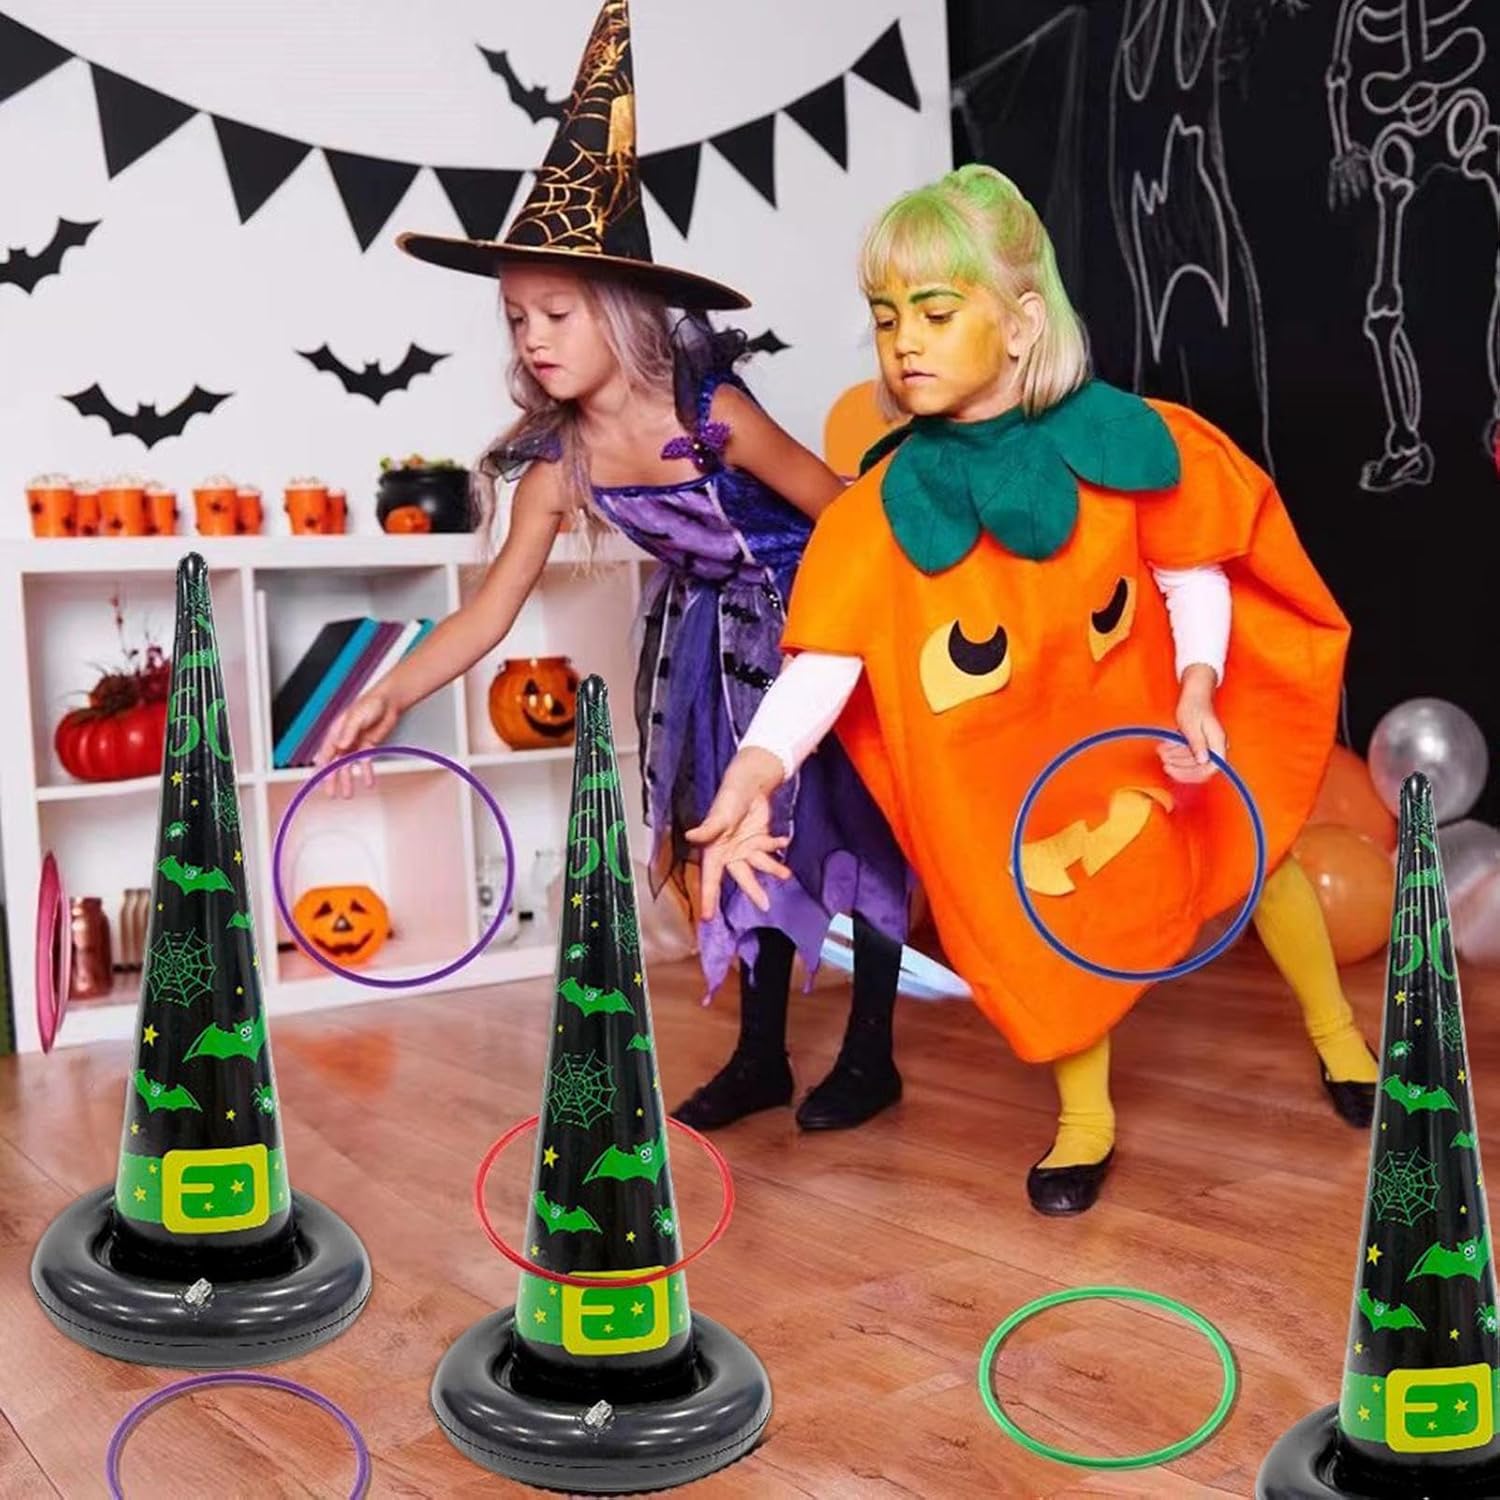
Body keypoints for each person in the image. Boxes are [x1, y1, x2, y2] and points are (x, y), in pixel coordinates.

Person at [688, 164, 1378, 1214]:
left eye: (934, 313)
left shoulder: (1125, 443)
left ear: (1019, 325)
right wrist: (755, 767)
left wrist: (1198, 687)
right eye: (886, 318)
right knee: (1049, 925)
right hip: (1021, 772)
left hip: (1143, 728)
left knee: (1254, 853)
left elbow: (1190, 569)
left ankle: (1338, 1035)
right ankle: (1085, 1118)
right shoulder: (877, 515)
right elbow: (828, 658)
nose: (904, 342)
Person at [316, 0, 910, 1134]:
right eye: (516, 318)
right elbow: (489, 612)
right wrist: (389, 690)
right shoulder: (559, 465)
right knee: (740, 838)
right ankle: (762, 1057)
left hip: (818, 631)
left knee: (855, 824)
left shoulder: (711, 414)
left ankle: (872, 1052)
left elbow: (841, 514)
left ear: (624, 311)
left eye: (556, 311)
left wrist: (863, 632)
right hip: (711, 659)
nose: (532, 338)